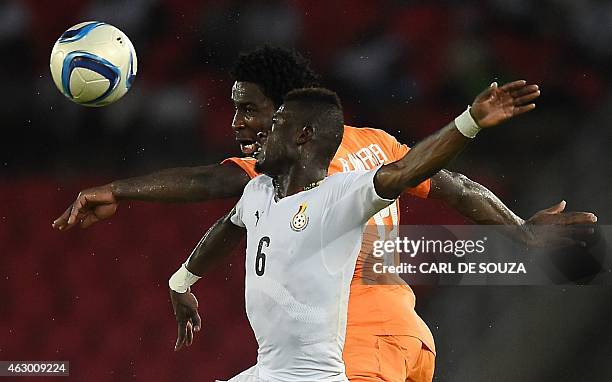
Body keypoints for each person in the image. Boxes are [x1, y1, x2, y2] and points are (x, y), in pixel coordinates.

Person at [52, 47, 595, 381]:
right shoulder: (373, 142)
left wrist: (120, 191)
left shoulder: (300, 174)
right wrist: (519, 230)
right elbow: (451, 185)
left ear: (292, 115)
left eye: (251, 109)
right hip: (404, 338)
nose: (238, 123)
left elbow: (211, 182)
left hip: (352, 352)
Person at [167, 84, 537, 381]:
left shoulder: (333, 193)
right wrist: (181, 282)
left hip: (362, 341)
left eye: (273, 121)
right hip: (397, 335)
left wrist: (469, 120)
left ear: (301, 134)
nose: (259, 131)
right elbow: (229, 226)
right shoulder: (365, 148)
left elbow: (206, 182)